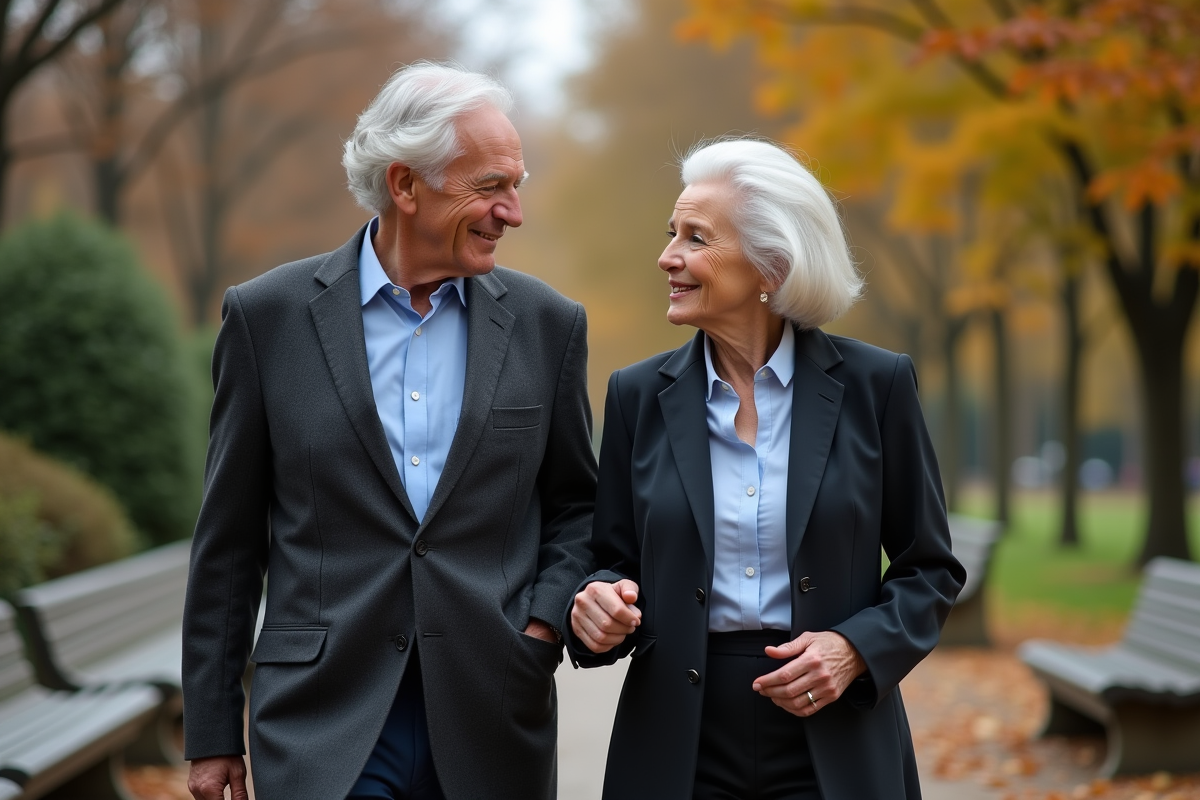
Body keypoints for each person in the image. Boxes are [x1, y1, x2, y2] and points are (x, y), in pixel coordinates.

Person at [182, 62, 597, 800]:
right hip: (320, 723)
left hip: (491, 714)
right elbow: (230, 540)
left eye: (517, 185)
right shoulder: (267, 318)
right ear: (405, 186)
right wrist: (213, 734)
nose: (513, 212)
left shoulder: (548, 326)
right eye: (490, 186)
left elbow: (577, 507)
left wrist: (540, 626)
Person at [567, 137, 965, 800]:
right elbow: (612, 559)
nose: (668, 257)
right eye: (672, 234)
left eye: (696, 238)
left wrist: (856, 650)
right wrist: (598, 604)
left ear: (770, 266)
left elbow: (931, 568)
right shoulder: (635, 396)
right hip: (678, 743)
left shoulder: (877, 386)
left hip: (837, 730)